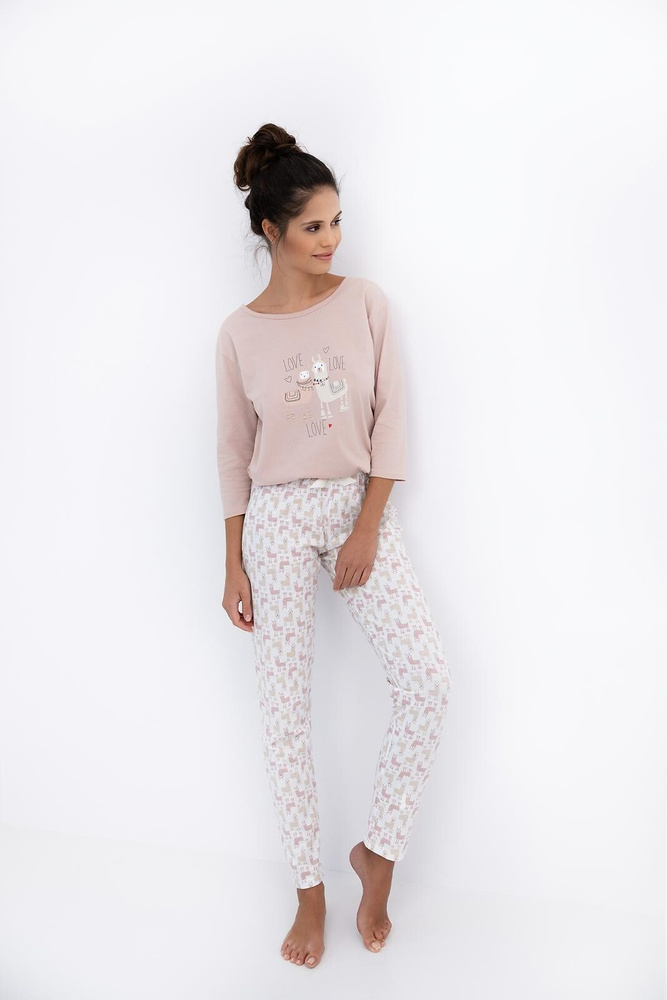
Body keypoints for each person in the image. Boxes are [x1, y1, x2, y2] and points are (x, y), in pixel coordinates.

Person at [215, 122, 452, 969]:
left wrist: (366, 526)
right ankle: (308, 892)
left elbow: (393, 419)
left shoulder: (365, 303)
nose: (331, 240)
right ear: (270, 230)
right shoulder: (238, 333)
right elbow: (233, 451)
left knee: (426, 680)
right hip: (274, 519)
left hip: (356, 504)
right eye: (313, 226)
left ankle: (376, 853)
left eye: (336, 221)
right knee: (284, 714)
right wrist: (233, 560)